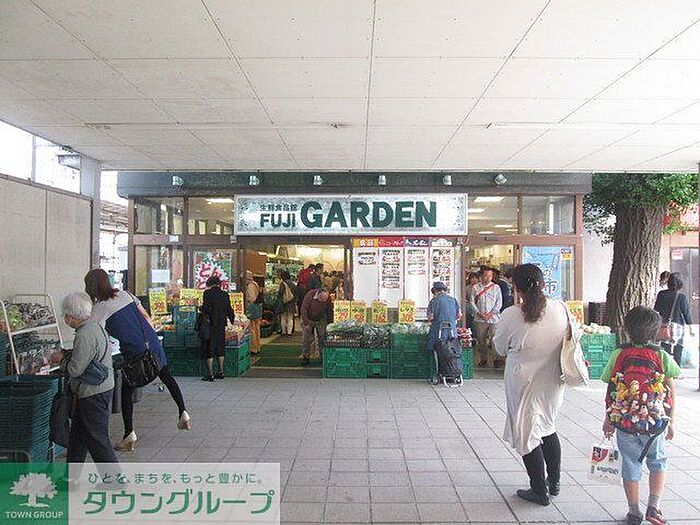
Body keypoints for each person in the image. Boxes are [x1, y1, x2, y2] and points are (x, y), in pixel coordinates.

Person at [84, 269, 190, 452]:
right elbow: (146, 317)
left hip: (134, 350)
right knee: (166, 375)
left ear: (91, 287)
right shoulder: (125, 294)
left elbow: (94, 335)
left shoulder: (99, 308)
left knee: (127, 390)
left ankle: (129, 434)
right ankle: (183, 411)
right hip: (152, 342)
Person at [493, 263, 569, 506]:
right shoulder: (560, 308)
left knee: (526, 432)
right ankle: (554, 483)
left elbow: (500, 348)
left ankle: (539, 490)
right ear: (543, 283)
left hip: (522, 382)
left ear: (516, 288)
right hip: (552, 380)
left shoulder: (511, 315)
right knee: (548, 427)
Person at [602, 306, 680, 525]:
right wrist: (672, 422)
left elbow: (611, 388)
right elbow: (670, 390)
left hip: (625, 421)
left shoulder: (619, 354)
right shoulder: (661, 355)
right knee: (658, 462)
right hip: (654, 423)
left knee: (629, 464)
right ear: (655, 331)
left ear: (627, 329)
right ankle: (653, 507)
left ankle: (634, 511)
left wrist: (608, 419)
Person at [56, 292, 118, 464]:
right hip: (101, 388)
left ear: (71, 316)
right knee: (77, 438)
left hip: (92, 393)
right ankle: (71, 476)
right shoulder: (95, 326)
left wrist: (61, 360)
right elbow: (89, 356)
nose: (65, 319)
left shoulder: (84, 335)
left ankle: (114, 477)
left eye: (65, 315)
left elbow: (75, 369)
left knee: (98, 440)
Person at [200, 275, 235, 381]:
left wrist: (200, 308)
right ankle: (221, 372)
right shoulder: (225, 294)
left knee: (209, 349)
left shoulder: (207, 293)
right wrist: (231, 321)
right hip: (221, 324)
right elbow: (229, 309)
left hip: (210, 325)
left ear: (209, 283)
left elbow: (206, 309)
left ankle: (210, 374)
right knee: (220, 348)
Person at [654, 272, 694, 367]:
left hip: (664, 325)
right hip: (678, 326)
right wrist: (691, 327)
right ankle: (676, 369)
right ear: (680, 283)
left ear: (669, 282)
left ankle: (666, 369)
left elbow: (656, 309)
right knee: (678, 348)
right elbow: (686, 313)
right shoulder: (682, 297)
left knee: (665, 348)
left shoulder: (661, 294)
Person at [427, 281, 462, 370]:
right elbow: (459, 316)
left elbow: (431, 317)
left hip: (438, 332)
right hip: (452, 332)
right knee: (452, 352)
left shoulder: (433, 301)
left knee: (439, 352)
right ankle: (453, 371)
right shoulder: (453, 300)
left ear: (435, 291)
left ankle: (441, 371)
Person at [472, 268, 503, 367]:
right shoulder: (475, 288)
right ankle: (483, 359)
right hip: (480, 318)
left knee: (495, 338)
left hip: (494, 318)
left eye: (490, 276)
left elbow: (499, 302)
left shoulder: (496, 288)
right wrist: (478, 313)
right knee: (481, 340)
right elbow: (472, 302)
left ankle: (497, 359)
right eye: (485, 276)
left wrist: (491, 313)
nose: (488, 278)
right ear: (481, 276)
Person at [300, 288, 332, 365]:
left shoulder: (327, 298)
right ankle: (305, 357)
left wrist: (330, 323)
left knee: (323, 337)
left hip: (321, 319)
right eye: (322, 300)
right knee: (306, 338)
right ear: (318, 296)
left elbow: (329, 310)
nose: (323, 301)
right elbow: (303, 309)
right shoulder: (310, 295)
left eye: (325, 300)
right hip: (308, 318)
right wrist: (306, 322)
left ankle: (323, 356)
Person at [244, 270, 262, 354]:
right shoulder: (255, 284)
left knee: (252, 329)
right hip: (256, 309)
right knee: (256, 328)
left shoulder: (250, 286)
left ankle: (253, 347)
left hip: (251, 308)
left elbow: (252, 298)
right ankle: (257, 346)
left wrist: (245, 299)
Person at [276, 270, 297, 336]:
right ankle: (289, 332)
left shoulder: (283, 283)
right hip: (291, 303)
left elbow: (280, 293)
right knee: (290, 318)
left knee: (283, 317)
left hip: (284, 303)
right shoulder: (293, 284)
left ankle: (284, 332)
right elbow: (295, 293)